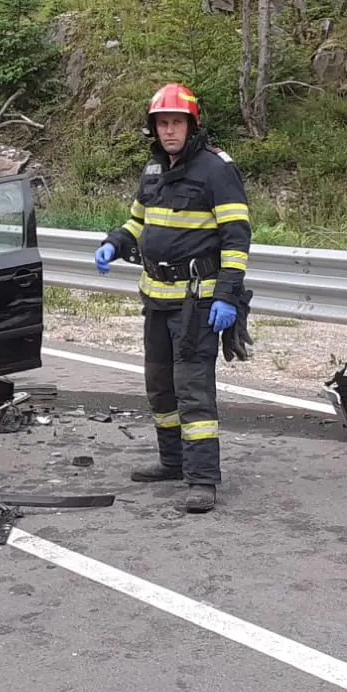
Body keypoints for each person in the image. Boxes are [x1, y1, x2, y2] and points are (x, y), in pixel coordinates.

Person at [94, 83, 252, 513]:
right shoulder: (152, 170)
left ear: (191, 125)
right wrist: (114, 243)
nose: (169, 130)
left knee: (192, 389)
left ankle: (202, 479)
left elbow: (236, 238)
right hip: (156, 298)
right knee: (160, 385)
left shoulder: (216, 170)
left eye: (176, 123)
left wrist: (227, 296)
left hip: (196, 302)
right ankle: (172, 461)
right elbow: (137, 222)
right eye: (162, 123)